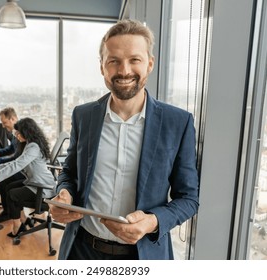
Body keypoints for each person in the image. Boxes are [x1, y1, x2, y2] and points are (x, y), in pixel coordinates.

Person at [48, 19, 199, 260]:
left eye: (134, 60)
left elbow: (189, 199)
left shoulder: (177, 123)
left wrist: (152, 221)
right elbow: (69, 173)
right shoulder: (83, 115)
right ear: (102, 67)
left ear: (149, 64)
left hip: (143, 255)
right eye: (114, 61)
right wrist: (64, 194)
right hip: (82, 250)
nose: (124, 70)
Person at [0, 118, 56, 236]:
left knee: (13, 194)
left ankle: (17, 226)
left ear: (27, 132)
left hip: (42, 186)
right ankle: (23, 219)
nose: (16, 135)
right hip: (34, 182)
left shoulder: (33, 147)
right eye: (16, 132)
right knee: (9, 188)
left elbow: (17, 165)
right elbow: (16, 162)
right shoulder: (30, 144)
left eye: (19, 133)